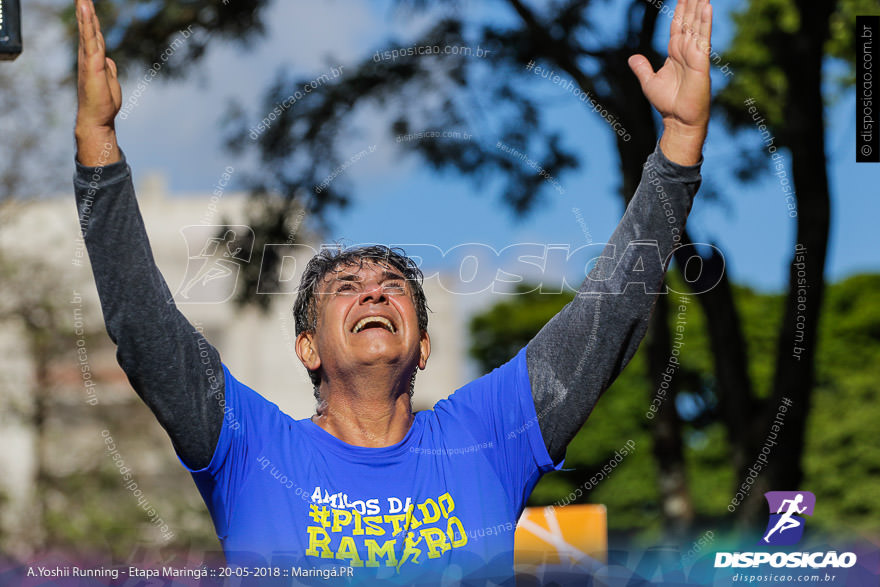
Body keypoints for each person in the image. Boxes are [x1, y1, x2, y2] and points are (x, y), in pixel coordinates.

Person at [73, 0, 711, 582]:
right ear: (307, 348)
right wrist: (97, 147)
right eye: (346, 287)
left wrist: (678, 149)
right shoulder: (250, 447)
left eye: (393, 287)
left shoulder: (489, 433)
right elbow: (145, 327)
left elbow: (607, 317)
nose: (374, 295)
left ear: (425, 346)